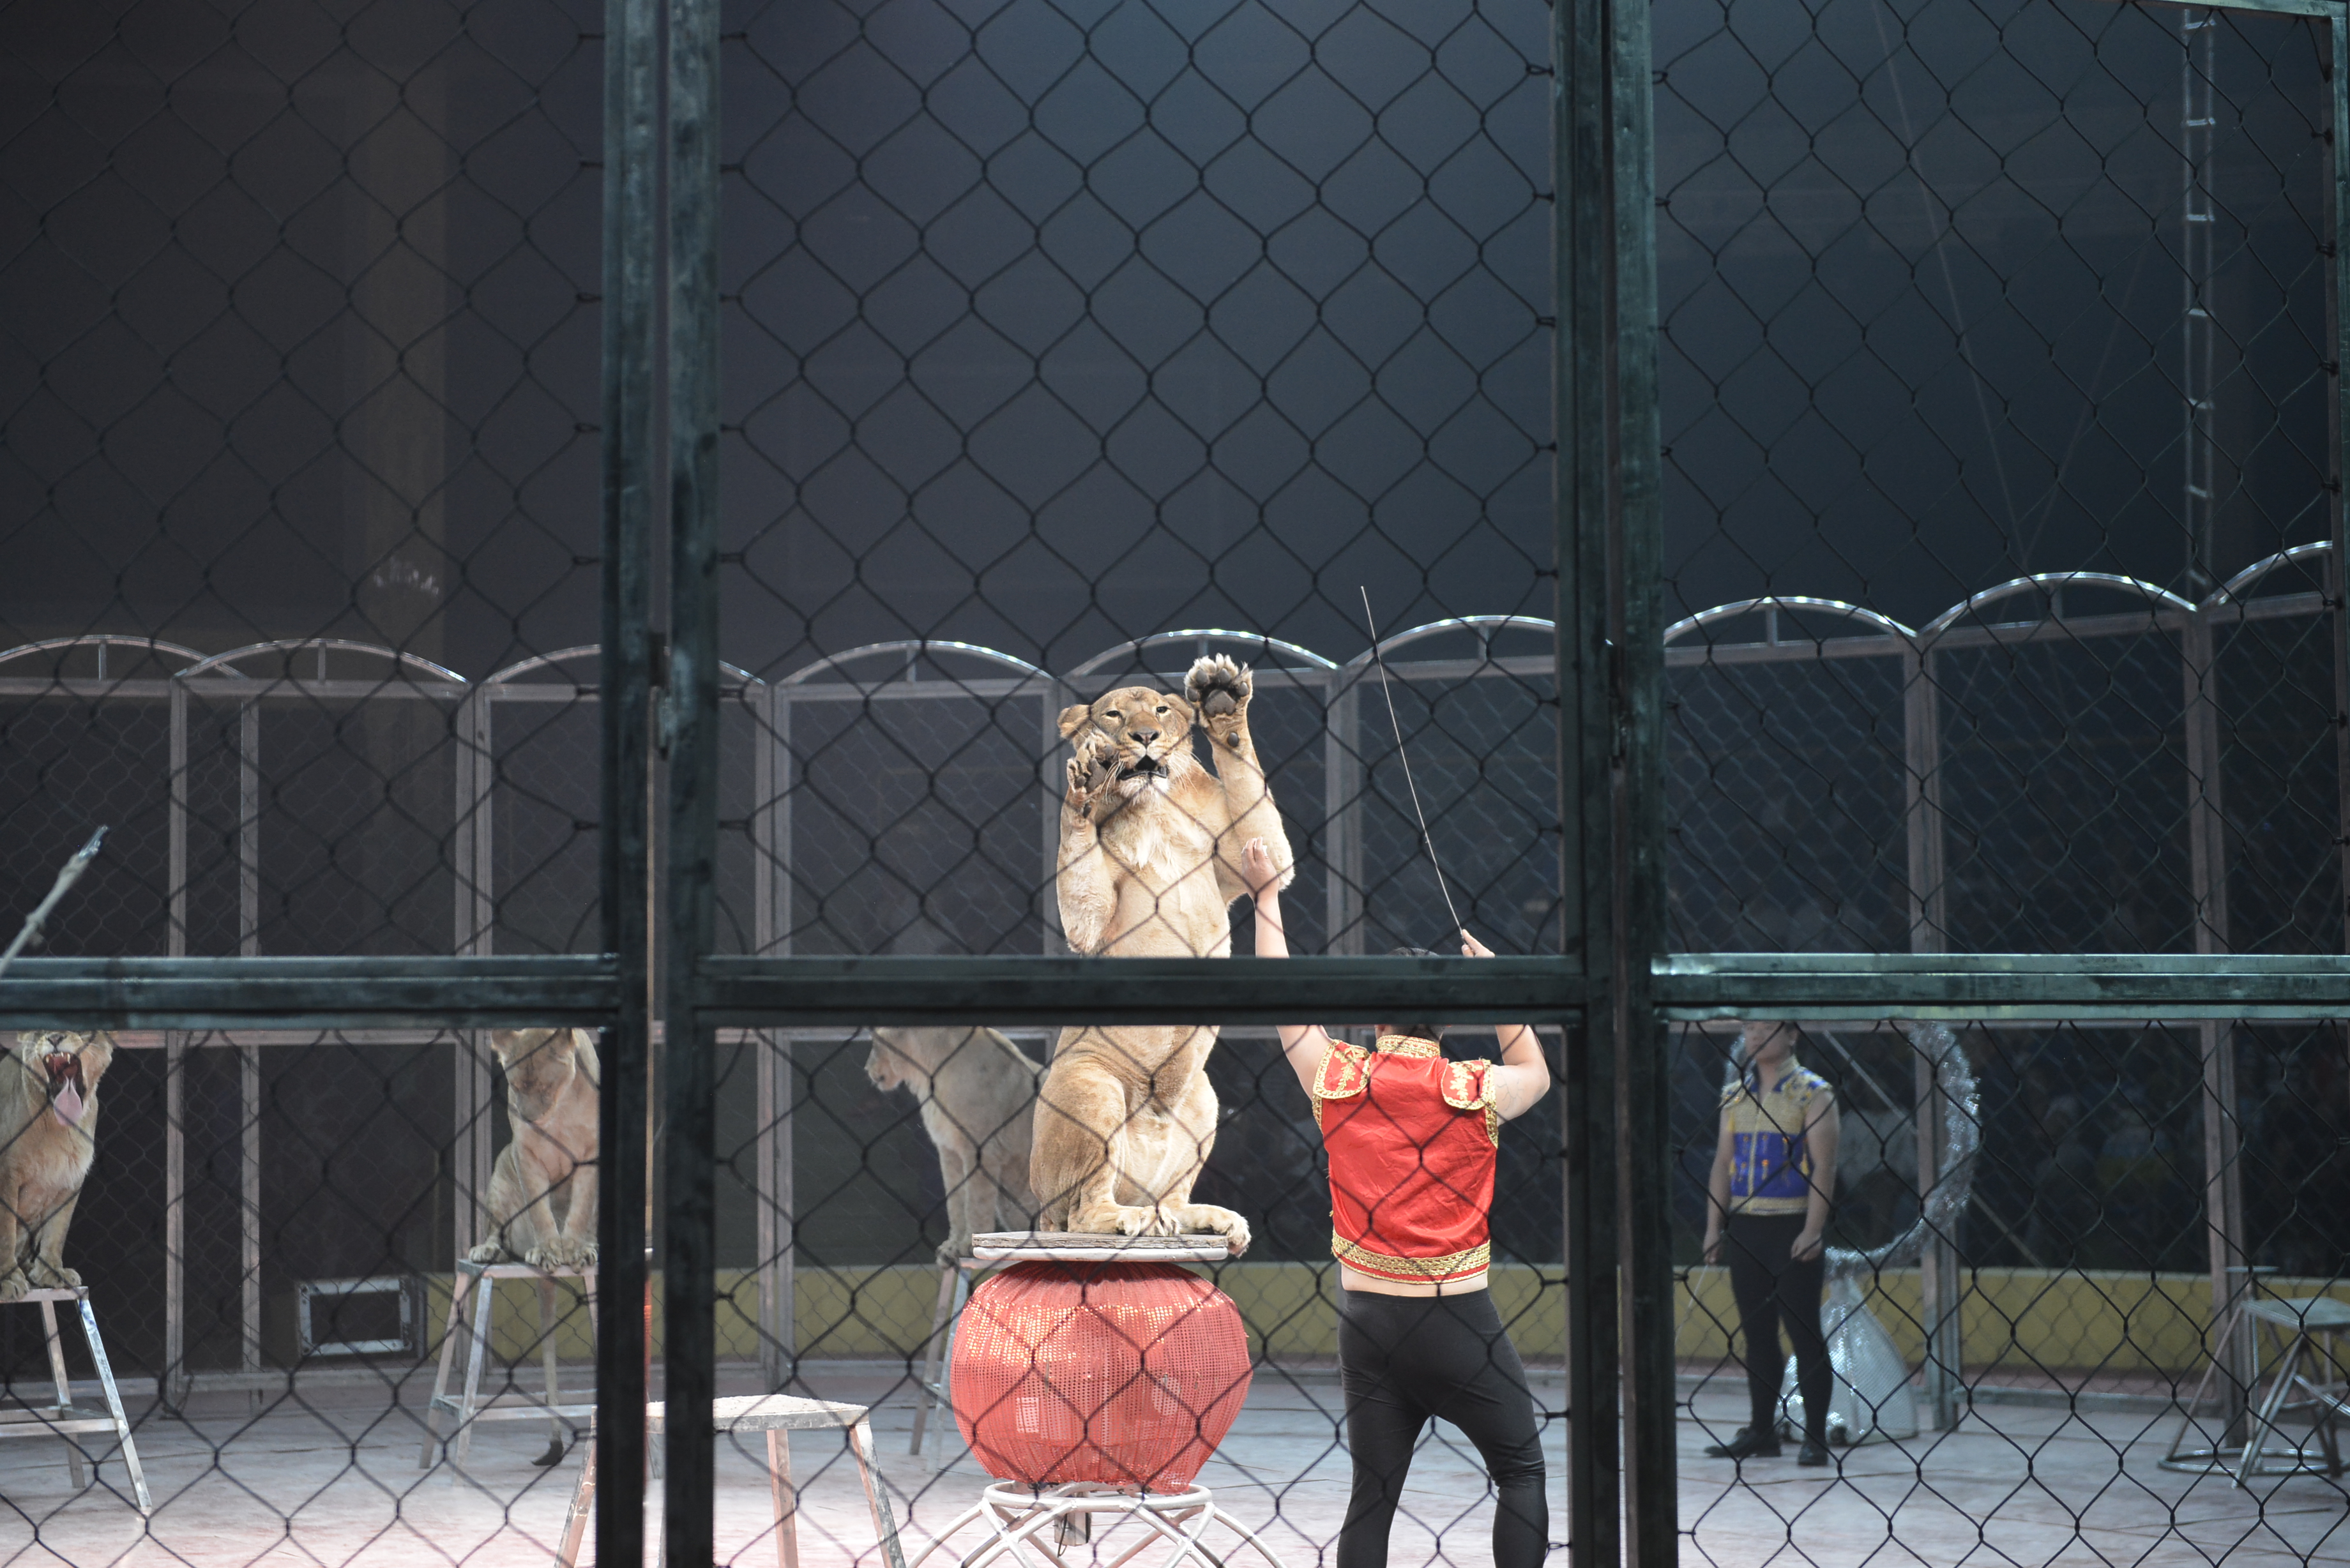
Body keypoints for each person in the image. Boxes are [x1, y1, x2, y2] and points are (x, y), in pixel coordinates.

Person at [1241, 836, 1552, 1568]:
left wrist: (1265, 895)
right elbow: (1534, 1069)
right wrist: (1497, 988)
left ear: (1374, 1016)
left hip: (1367, 1317)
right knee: (1520, 1469)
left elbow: (1280, 996)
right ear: (1445, 1019)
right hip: (1455, 1316)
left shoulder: (1340, 1077)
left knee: (1372, 1492)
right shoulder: (1471, 1088)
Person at [1700, 1019, 1840, 1465]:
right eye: (1750, 1028)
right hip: (1747, 1226)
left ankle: (1815, 1435)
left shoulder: (1814, 1093)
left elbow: (1824, 1166)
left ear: (1794, 1035)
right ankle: (1762, 1429)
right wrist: (1713, 1226)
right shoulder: (1735, 1095)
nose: (1756, 1036)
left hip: (1792, 1224)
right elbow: (1723, 1163)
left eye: (1767, 1028)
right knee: (1757, 1334)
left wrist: (1813, 1230)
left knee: (1804, 1332)